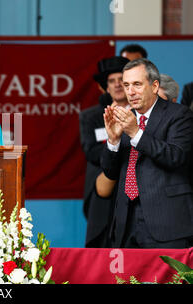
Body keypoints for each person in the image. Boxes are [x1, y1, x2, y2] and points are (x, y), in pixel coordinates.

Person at [102, 58, 193, 248]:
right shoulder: (125, 118)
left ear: (154, 86)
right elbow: (110, 173)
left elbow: (176, 157)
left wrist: (136, 133)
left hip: (167, 222)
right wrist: (113, 141)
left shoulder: (179, 115)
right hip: (125, 223)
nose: (130, 91)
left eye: (137, 84)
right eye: (126, 85)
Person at [80, 55, 129, 248]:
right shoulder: (91, 116)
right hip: (102, 188)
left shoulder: (142, 114)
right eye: (112, 81)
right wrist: (115, 145)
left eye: (121, 81)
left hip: (136, 184)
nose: (117, 85)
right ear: (105, 87)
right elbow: (90, 152)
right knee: (101, 245)